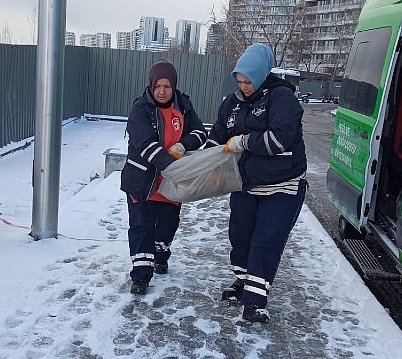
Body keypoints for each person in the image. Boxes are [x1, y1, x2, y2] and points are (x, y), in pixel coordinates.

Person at [205, 44, 307, 323]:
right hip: (246, 184)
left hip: (282, 185)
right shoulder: (232, 103)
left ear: (262, 75)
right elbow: (217, 137)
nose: (243, 86)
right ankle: (242, 282)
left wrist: (244, 141)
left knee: (265, 241)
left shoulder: (282, 99)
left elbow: (279, 140)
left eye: (247, 81)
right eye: (239, 80)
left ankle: (255, 301)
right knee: (239, 237)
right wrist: (206, 163)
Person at [120, 59, 207, 295]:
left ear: (174, 86)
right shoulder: (140, 109)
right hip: (142, 182)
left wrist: (183, 144)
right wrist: (169, 164)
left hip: (170, 184)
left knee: (167, 227)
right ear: (150, 85)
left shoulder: (183, 105)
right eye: (157, 85)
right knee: (141, 227)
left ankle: (161, 254)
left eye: (167, 86)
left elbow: (200, 133)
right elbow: (145, 144)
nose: (162, 91)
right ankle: (140, 275)